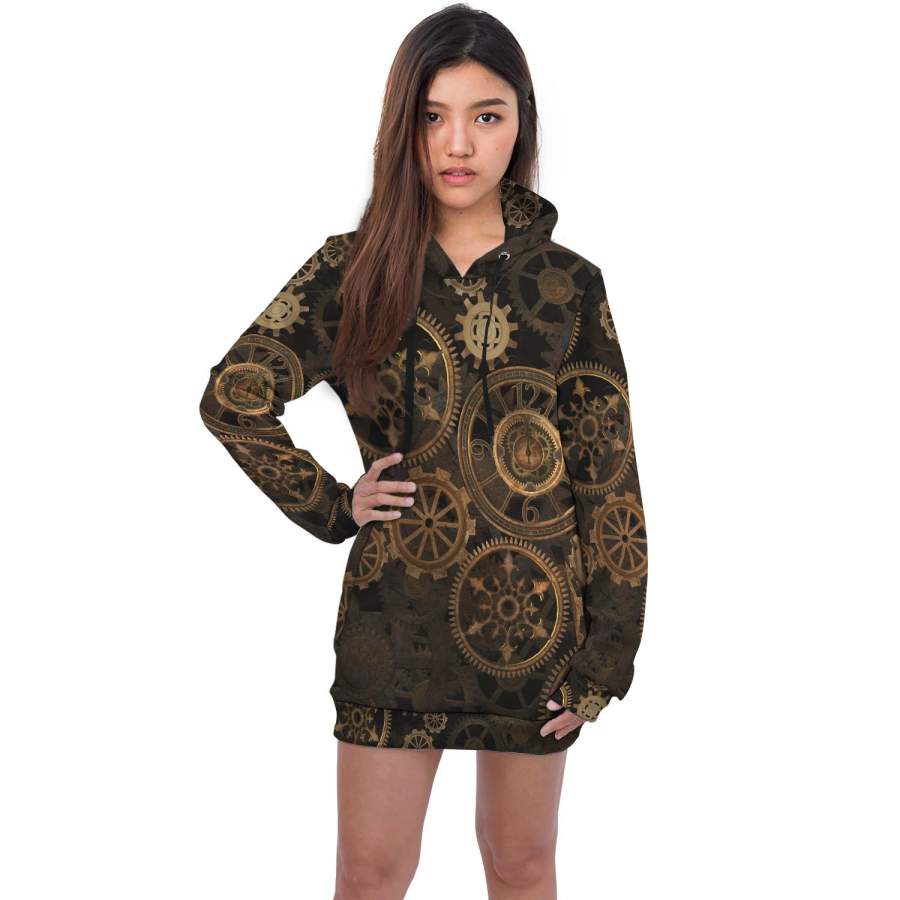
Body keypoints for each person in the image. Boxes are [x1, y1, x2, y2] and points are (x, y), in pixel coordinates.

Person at [198, 5, 648, 897]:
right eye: (433, 116)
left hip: (536, 629)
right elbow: (233, 397)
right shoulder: (353, 269)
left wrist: (608, 655)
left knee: (521, 864)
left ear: (521, 124)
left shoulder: (568, 285)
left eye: (487, 115)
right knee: (370, 874)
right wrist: (335, 504)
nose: (459, 143)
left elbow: (609, 481)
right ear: (402, 125)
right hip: (394, 623)